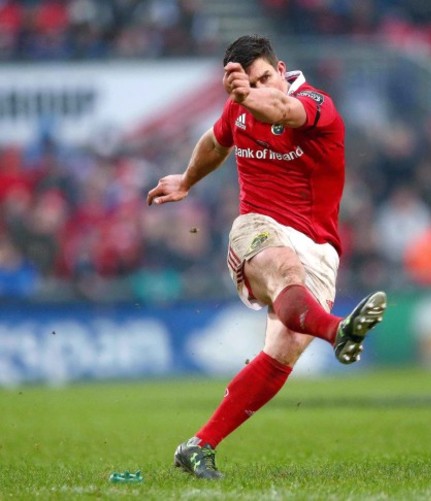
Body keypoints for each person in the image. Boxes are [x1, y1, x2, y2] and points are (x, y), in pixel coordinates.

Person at [146, 34, 387, 480]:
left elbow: (279, 111)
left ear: (282, 70)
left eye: (265, 78)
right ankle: (338, 331)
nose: (261, 87)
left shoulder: (316, 104)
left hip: (318, 246)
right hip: (257, 227)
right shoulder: (237, 108)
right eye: (251, 81)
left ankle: (198, 446)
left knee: (282, 352)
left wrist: (247, 94)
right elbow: (215, 142)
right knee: (283, 271)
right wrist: (185, 180)